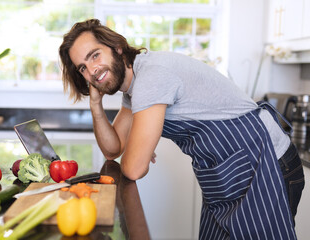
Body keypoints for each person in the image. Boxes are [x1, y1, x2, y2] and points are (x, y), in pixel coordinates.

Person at [59, 18, 304, 239]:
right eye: (82, 67)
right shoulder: (133, 88)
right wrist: (95, 105)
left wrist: (140, 145)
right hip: (230, 171)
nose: (92, 70)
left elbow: (133, 168)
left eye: (95, 55)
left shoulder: (151, 77)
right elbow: (113, 149)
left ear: (117, 48)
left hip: (265, 162)